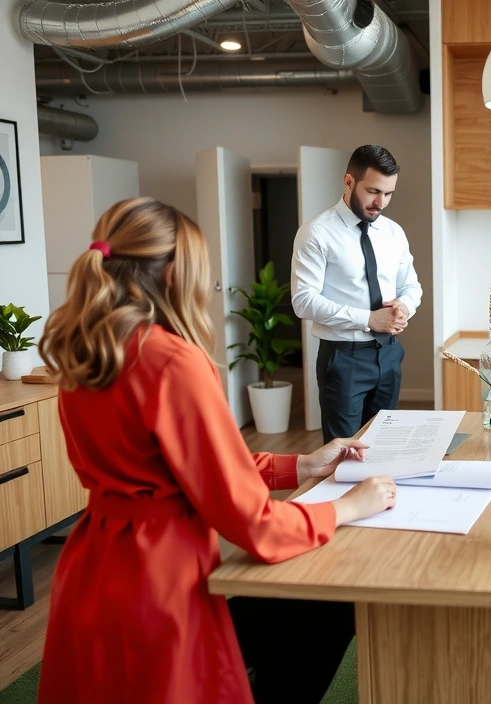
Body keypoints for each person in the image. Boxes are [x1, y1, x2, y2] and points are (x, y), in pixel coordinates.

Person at [36, 197, 398, 704]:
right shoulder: (171, 361)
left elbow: (177, 468)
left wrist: (302, 464)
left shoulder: (87, 352)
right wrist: (346, 507)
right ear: (174, 275)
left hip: (91, 571)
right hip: (158, 581)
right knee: (329, 604)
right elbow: (252, 524)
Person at [292, 144, 423, 442]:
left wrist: (403, 306)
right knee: (344, 454)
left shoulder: (393, 232)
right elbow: (303, 301)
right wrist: (368, 319)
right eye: (374, 191)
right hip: (343, 358)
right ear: (349, 181)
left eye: (389, 193)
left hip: (389, 354)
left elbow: (411, 286)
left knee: (383, 446)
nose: (381, 202)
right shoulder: (316, 233)